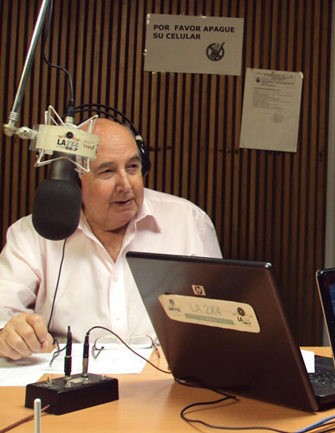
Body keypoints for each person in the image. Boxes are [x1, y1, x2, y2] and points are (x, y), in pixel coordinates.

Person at [0, 118, 222, 360]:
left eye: (132, 167)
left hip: (166, 376)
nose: (125, 185)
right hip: (72, 377)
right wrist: (9, 334)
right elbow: (3, 313)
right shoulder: (32, 235)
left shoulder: (188, 221)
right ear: (74, 181)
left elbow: (221, 319)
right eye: (107, 171)